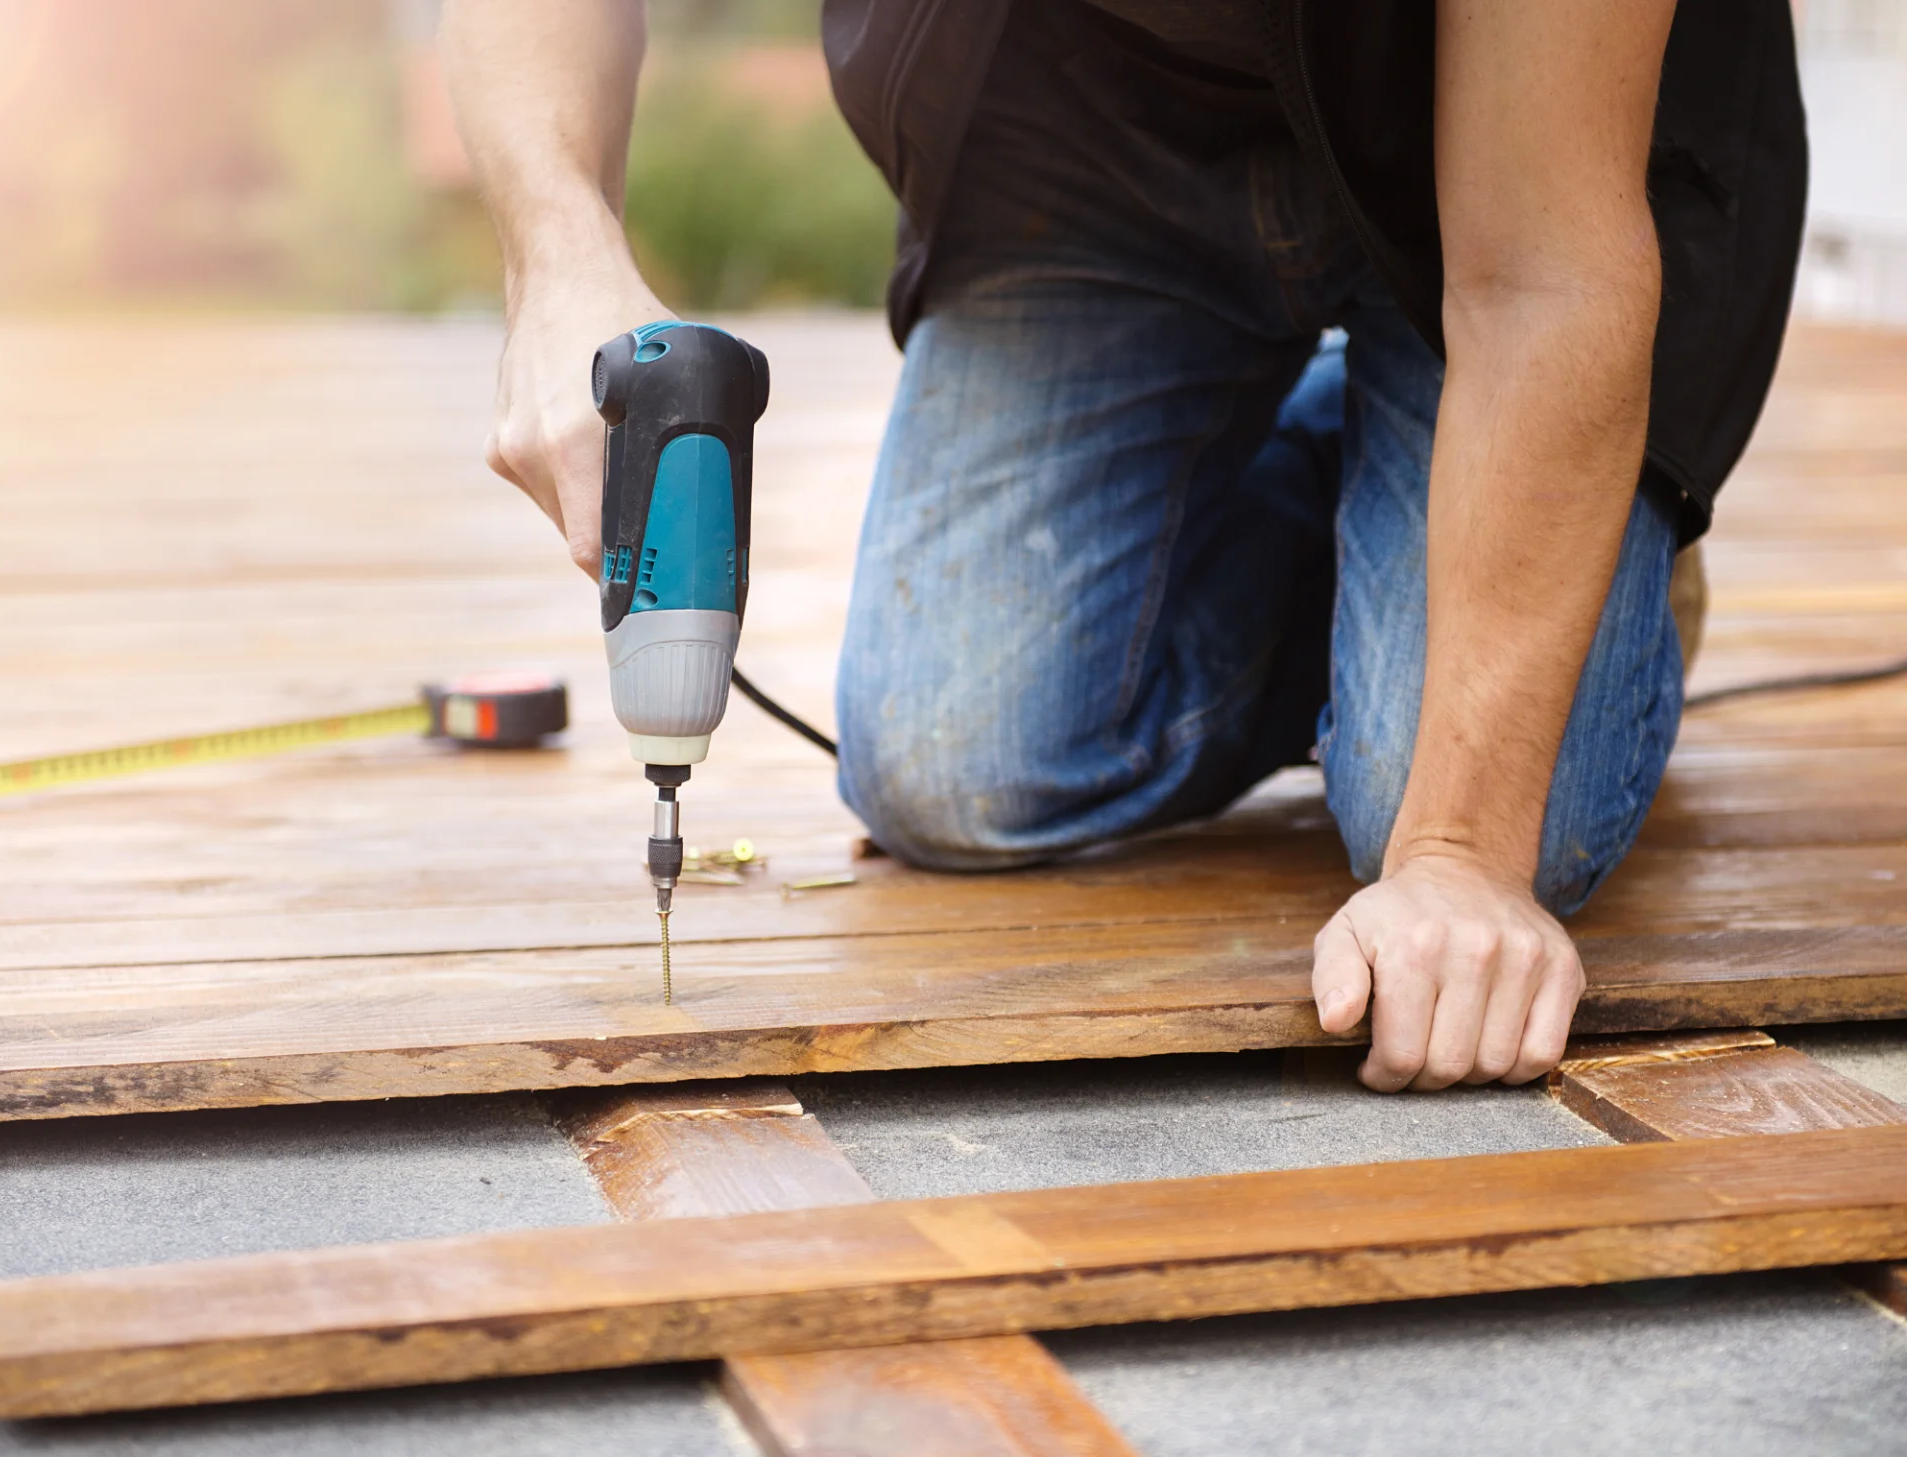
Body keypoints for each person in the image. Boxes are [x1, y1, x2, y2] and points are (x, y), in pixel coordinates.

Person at [439, 0, 1805, 1092]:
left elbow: (1544, 273)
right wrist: (560, 251)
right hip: (1089, 117)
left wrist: (1458, 855)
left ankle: (1589, 508)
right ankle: (1454, 499)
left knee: (1493, 827)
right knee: (948, 762)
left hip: (1535, 151)